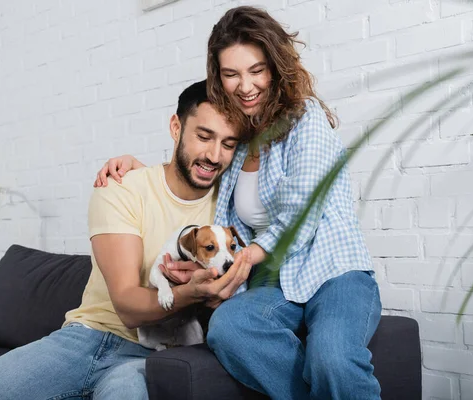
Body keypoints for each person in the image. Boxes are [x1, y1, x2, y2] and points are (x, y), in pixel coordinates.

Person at [95, 6, 381, 400]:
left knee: (331, 358)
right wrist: (144, 172)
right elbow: (203, 182)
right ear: (219, 77)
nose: (245, 86)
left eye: (256, 70)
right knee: (228, 329)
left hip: (334, 273)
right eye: (231, 74)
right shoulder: (237, 142)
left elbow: (301, 212)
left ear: (276, 67)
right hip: (273, 287)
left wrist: (247, 257)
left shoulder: (306, 119)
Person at [0, 80, 252, 400]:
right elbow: (128, 307)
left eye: (228, 144)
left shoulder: (229, 207)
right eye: (204, 136)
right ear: (176, 127)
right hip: (87, 338)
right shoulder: (122, 188)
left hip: (158, 353)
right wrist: (193, 291)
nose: (214, 155)